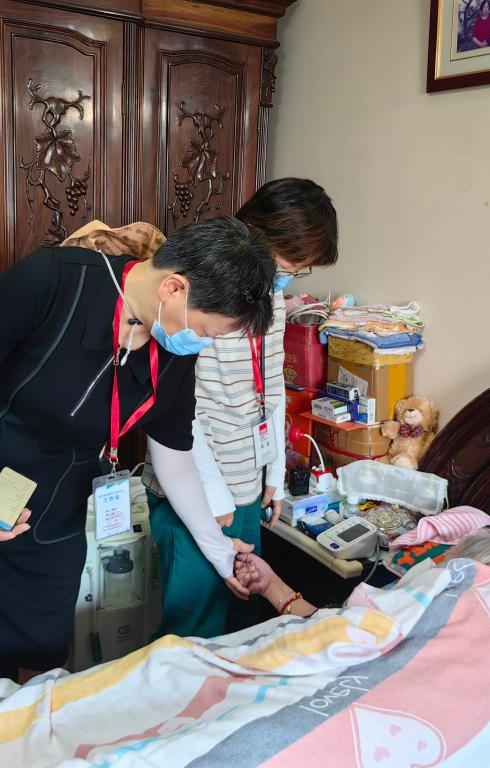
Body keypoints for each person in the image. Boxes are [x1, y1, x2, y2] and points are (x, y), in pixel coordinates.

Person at [0, 216, 275, 754]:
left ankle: (11, 754)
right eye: (204, 330)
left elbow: (174, 452)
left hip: (53, 508)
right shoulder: (53, 280)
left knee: (40, 662)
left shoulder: (174, 350)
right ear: (174, 288)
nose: (200, 343)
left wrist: (221, 552)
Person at [142, 178, 338, 638]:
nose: (289, 277)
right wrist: (212, 494)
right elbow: (174, 411)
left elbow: (271, 385)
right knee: (195, 626)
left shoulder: (272, 298)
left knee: (243, 614)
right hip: (195, 489)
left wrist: (273, 473)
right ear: (258, 237)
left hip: (248, 483)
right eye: (289, 265)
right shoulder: (204, 293)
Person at [0, 551, 315, 752]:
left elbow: (337, 626)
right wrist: (272, 585)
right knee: (162, 663)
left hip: (312, 673)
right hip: (297, 647)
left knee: (203, 728)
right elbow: (327, 621)